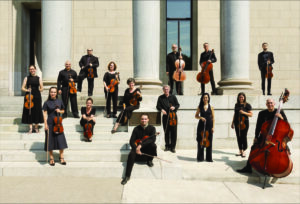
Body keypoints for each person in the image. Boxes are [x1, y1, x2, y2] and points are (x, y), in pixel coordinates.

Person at [237, 98, 287, 173]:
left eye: (271, 103)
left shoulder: (280, 112)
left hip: (276, 137)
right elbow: (258, 126)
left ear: (274, 104)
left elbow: (287, 125)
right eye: (268, 103)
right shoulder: (262, 113)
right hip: (264, 136)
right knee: (254, 148)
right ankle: (248, 167)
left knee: (283, 150)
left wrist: (281, 118)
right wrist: (256, 137)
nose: (270, 104)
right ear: (266, 105)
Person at [121, 113, 157, 185]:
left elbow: (152, 139)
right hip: (137, 148)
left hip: (146, 148)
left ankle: (149, 160)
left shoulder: (152, 128)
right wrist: (136, 148)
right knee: (131, 154)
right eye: (142, 119)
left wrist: (141, 145)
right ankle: (127, 176)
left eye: (145, 119)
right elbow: (131, 141)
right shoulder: (136, 128)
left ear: (148, 120)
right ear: (140, 120)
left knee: (153, 146)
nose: (144, 120)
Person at [43, 87, 68, 166]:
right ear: (49, 93)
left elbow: (63, 110)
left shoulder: (59, 101)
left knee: (61, 140)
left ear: (56, 93)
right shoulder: (46, 102)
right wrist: (45, 124)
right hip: (50, 122)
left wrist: (59, 111)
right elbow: (44, 114)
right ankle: (51, 158)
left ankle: (61, 157)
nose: (53, 93)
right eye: (51, 92)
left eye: (54, 92)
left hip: (58, 123)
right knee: (50, 141)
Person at [156, 85, 180, 153]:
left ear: (169, 90)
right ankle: (167, 146)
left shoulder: (173, 97)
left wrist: (174, 107)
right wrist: (162, 110)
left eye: (167, 89)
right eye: (165, 89)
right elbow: (157, 106)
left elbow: (178, 105)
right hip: (165, 117)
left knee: (173, 132)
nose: (166, 90)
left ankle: (173, 147)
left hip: (173, 117)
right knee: (166, 131)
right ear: (163, 90)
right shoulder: (160, 97)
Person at [21, 65, 44, 133]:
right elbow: (22, 88)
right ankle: (31, 128)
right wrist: (27, 90)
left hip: (37, 96)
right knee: (29, 111)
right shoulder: (26, 78)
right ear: (29, 70)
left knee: (37, 110)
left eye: (33, 69)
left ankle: (36, 127)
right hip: (29, 96)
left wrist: (38, 90)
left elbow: (42, 88)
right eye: (30, 69)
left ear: (35, 69)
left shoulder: (39, 78)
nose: (32, 70)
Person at [231, 92, 253, 157]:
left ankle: (244, 150)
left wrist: (243, 112)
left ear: (244, 98)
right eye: (240, 97)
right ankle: (240, 150)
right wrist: (232, 123)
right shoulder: (236, 105)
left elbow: (251, 114)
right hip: (237, 122)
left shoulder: (247, 105)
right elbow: (235, 114)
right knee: (238, 136)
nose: (241, 98)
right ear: (238, 98)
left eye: (242, 97)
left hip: (244, 123)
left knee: (244, 136)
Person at [195, 93, 215, 162]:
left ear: (208, 98)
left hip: (209, 126)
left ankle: (209, 158)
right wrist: (201, 117)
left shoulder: (211, 107)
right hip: (201, 125)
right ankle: (200, 158)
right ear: (202, 99)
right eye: (204, 97)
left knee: (209, 141)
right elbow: (196, 116)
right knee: (201, 141)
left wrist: (213, 127)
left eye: (206, 97)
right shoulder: (200, 106)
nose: (205, 99)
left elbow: (213, 118)